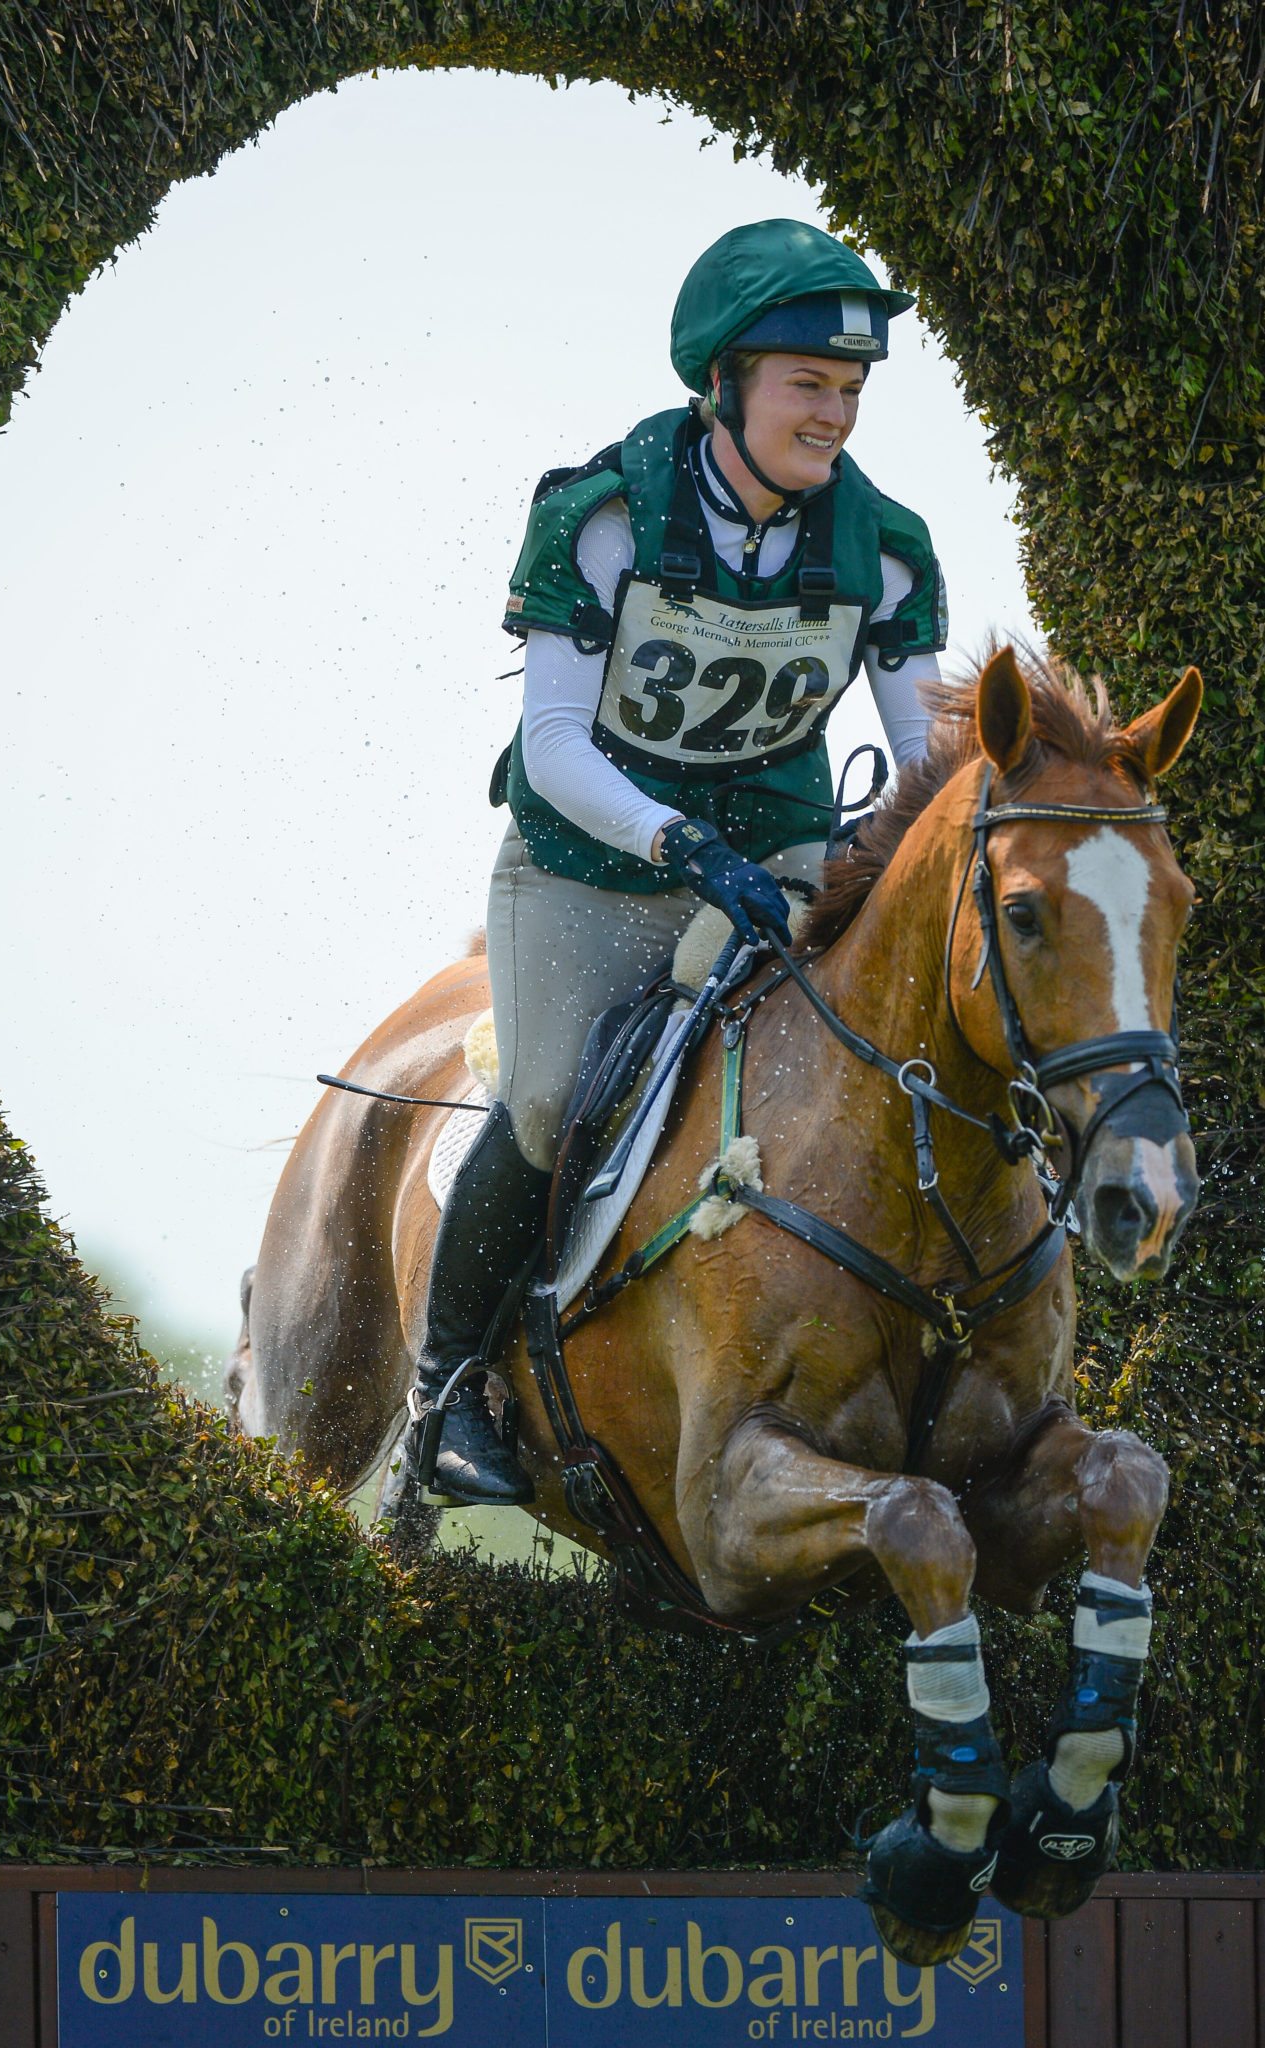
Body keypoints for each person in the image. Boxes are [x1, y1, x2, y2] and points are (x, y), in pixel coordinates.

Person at [410, 219, 948, 1507]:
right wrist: (678, 840)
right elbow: (550, 747)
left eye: (852, 391)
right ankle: (448, 1389)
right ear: (724, 385)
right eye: (808, 386)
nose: (835, 417)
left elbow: (926, 756)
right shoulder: (603, 515)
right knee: (547, 1105)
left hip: (776, 853)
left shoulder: (884, 545)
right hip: (590, 864)